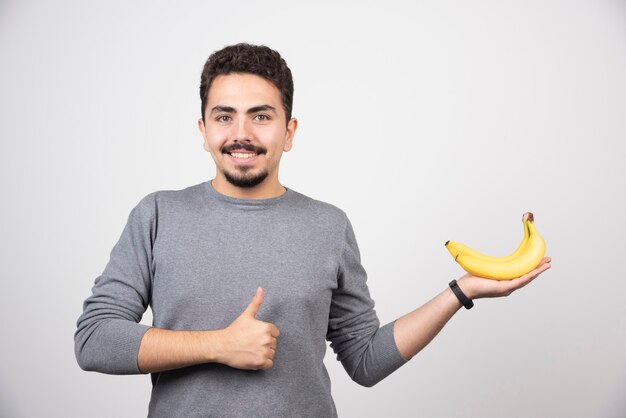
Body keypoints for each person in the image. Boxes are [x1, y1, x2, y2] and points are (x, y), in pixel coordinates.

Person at [75, 43, 551, 417]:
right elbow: (94, 339)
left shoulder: (328, 225)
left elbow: (364, 360)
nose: (241, 133)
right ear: (203, 129)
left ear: (290, 131)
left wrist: (460, 290)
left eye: (261, 116)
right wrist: (218, 345)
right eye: (224, 116)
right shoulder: (157, 215)